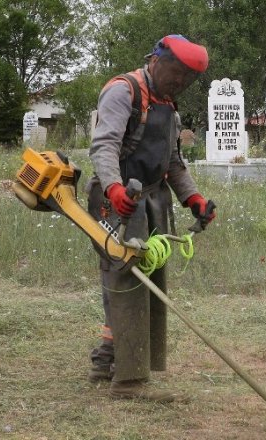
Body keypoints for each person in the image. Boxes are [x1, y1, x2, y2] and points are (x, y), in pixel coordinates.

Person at [85, 35, 216, 402]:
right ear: (156, 60)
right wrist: (113, 189)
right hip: (118, 199)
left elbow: (173, 162)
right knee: (127, 280)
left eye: (187, 80)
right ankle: (128, 382)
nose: (179, 84)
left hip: (152, 201)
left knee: (142, 280)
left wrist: (194, 199)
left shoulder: (168, 105)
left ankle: (106, 359)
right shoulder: (123, 90)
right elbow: (104, 146)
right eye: (176, 74)